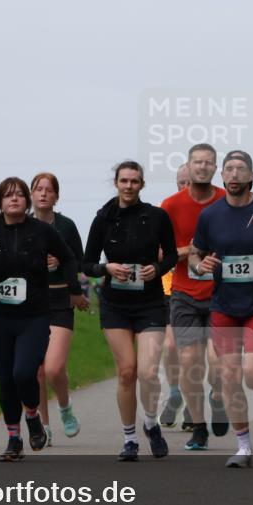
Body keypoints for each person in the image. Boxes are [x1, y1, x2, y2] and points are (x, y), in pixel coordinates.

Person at [0, 177, 78, 461]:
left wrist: (73, 289)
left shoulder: (42, 231)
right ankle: (14, 439)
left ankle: (33, 415)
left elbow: (69, 258)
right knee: (5, 379)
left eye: (19, 195)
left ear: (26, 201)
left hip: (34, 317)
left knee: (24, 373)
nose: (14, 199)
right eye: (8, 195)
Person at [188, 150, 253, 468]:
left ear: (251, 176)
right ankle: (244, 446)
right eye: (229, 169)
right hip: (224, 306)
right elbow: (195, 254)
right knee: (229, 374)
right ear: (223, 176)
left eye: (240, 169)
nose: (233, 174)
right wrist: (200, 264)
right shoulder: (210, 216)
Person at [82, 161, 177, 461]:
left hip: (149, 302)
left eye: (134, 181)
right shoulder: (103, 219)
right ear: (116, 183)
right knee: (126, 372)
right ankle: (129, 439)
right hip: (115, 304)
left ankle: (150, 423)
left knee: (148, 373)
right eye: (124, 181)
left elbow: (172, 254)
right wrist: (105, 268)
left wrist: (157, 268)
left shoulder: (157, 217)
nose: (128, 186)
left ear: (142, 185)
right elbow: (86, 263)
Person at [160, 144, 227, 451]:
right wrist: (192, 250)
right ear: (188, 165)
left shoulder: (227, 201)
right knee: (189, 362)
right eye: (196, 163)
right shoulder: (170, 206)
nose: (201, 168)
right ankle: (198, 427)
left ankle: (217, 396)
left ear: (216, 168)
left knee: (217, 364)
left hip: (220, 293)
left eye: (207, 162)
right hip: (184, 293)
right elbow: (161, 253)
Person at [30, 172, 87, 445]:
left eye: (48, 190)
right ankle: (43, 426)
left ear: (56, 196)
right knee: (36, 370)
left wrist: (62, 267)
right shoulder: (22, 226)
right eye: (38, 189)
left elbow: (77, 261)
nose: (43, 194)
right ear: (31, 194)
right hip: (31, 303)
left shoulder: (66, 226)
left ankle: (64, 408)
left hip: (60, 301)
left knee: (53, 369)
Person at [159, 163, 190, 433]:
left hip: (207, 291)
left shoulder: (214, 210)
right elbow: (157, 252)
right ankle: (174, 392)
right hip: (171, 289)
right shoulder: (167, 211)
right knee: (170, 347)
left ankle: (194, 401)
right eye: (182, 182)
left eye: (191, 182)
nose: (186, 187)